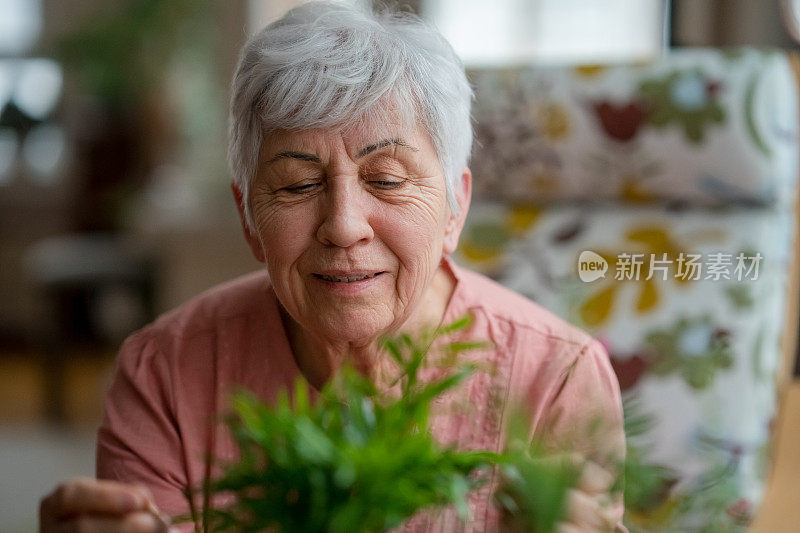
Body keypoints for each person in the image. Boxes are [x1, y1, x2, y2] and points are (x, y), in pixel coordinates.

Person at [39, 2, 626, 531]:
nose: (344, 225)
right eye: (297, 184)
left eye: (388, 179)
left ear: (455, 207)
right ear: (248, 218)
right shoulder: (165, 373)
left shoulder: (556, 378)